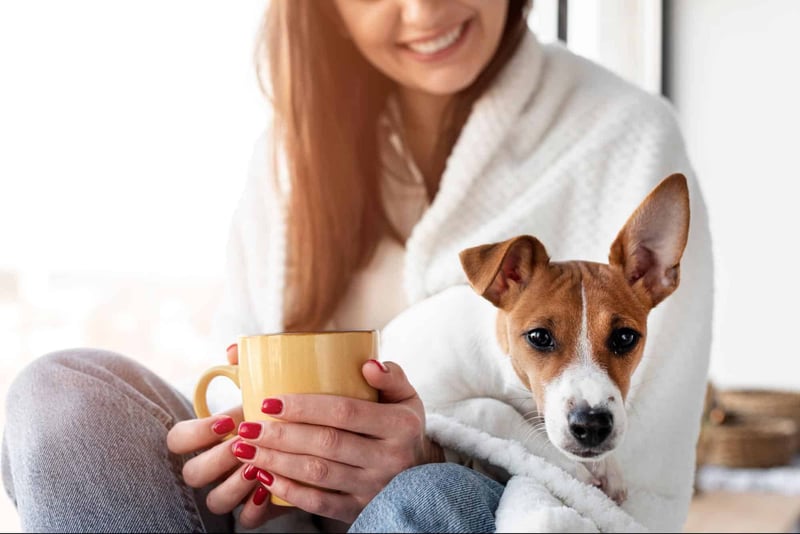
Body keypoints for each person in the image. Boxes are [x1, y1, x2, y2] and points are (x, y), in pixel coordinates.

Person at [1, 0, 714, 532]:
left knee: (425, 501)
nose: (425, 10)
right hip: (277, 521)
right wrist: (234, 445)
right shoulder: (288, 152)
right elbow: (241, 369)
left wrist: (432, 456)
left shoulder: (627, 140)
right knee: (60, 396)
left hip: (460, 517)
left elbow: (632, 493)